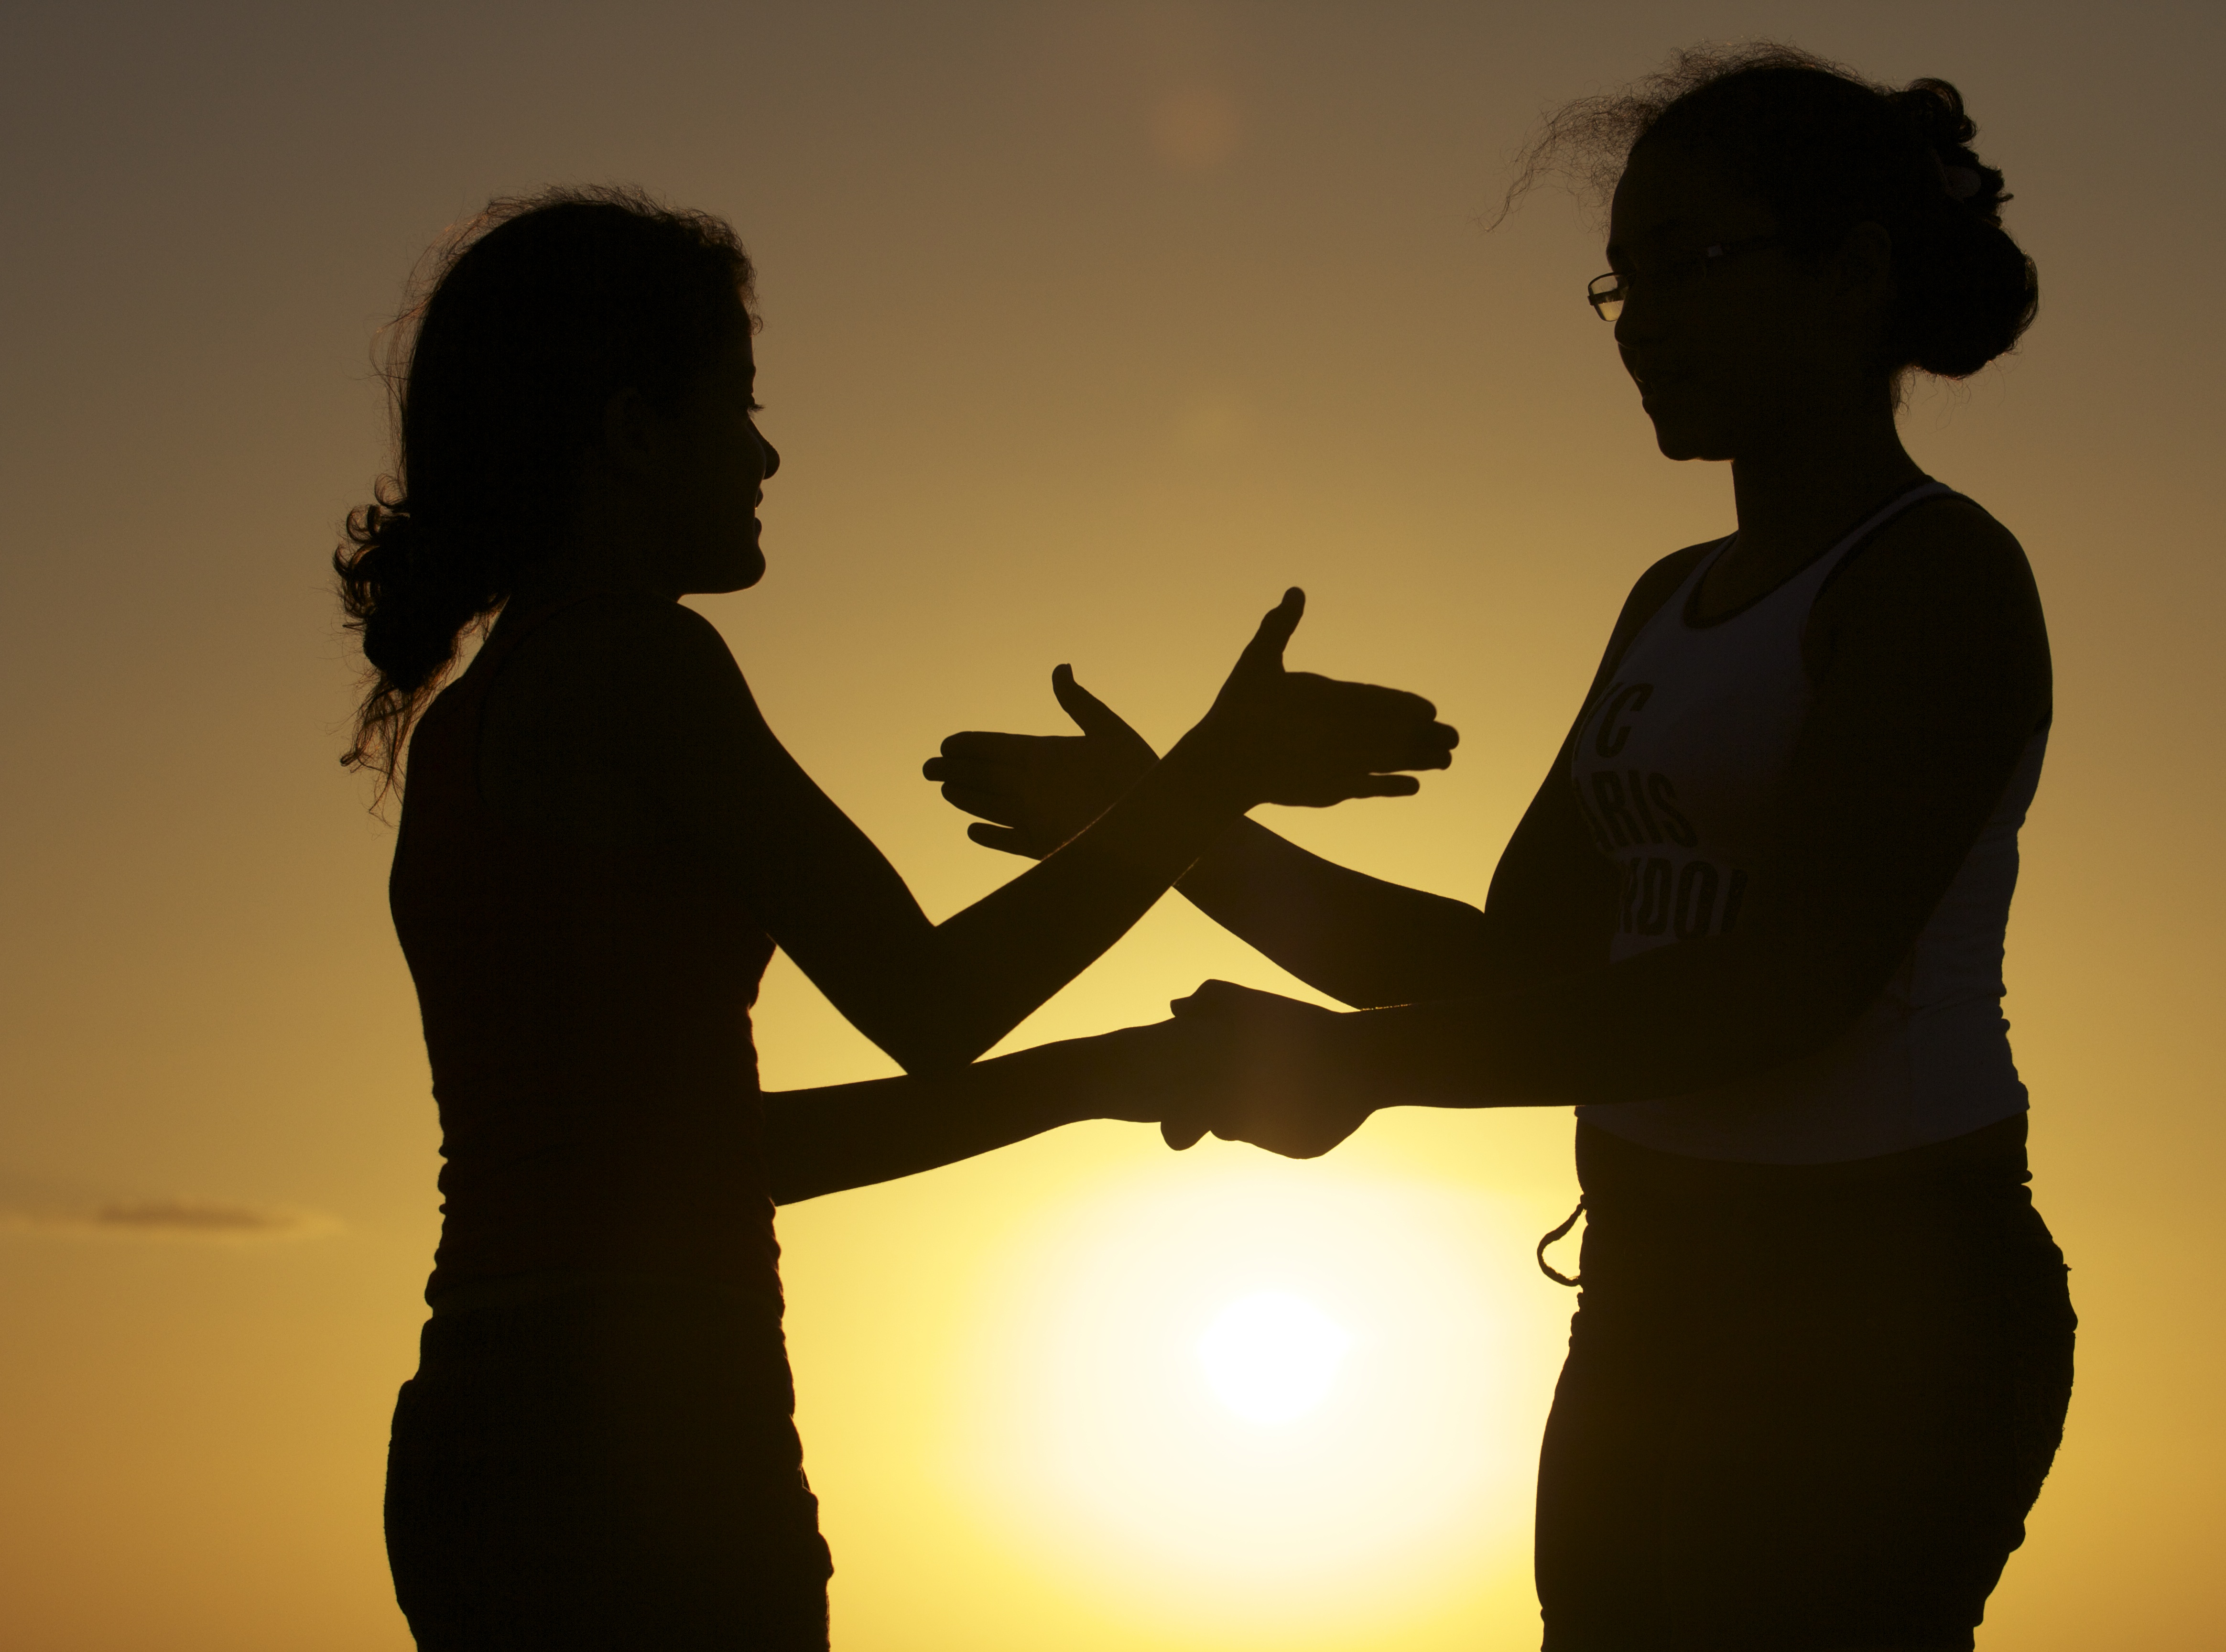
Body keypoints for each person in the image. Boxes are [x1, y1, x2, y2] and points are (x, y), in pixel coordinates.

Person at [926, 44, 2074, 1652]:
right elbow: (1508, 963)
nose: (1647, 321)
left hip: (1888, 1313)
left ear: (1858, 276)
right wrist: (1162, 824)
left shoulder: (1938, 577)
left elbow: (1780, 995)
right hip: (1658, 1302)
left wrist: (1361, 1066)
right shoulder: (1667, 604)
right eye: (1624, 281)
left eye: (1696, 263)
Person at [336, 186, 1455, 1651]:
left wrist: (1099, 1077)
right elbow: (929, 1003)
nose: (767, 451)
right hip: (652, 1433)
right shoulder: (649, 666)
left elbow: (706, 1157)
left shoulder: (471, 727)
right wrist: (1209, 777)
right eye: (735, 405)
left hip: (482, 1421)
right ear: (625, 432)